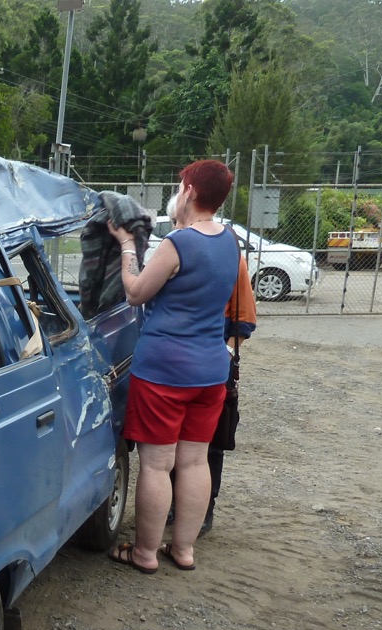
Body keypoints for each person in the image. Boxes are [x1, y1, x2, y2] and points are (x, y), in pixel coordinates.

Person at [106, 160, 239, 574]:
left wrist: (127, 246)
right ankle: (183, 550)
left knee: (158, 464)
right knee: (195, 462)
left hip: (164, 371)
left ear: (190, 192)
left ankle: (144, 553)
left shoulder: (178, 243)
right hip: (211, 371)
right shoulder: (231, 241)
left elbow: (135, 293)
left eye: (179, 185)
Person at [162, 192, 258, 536]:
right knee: (173, 443)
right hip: (179, 366)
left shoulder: (230, 258)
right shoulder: (172, 253)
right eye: (172, 223)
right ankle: (175, 506)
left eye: (177, 221)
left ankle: (201, 510)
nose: (175, 228)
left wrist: (223, 353)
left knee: (207, 444)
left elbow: (243, 321)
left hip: (207, 365)